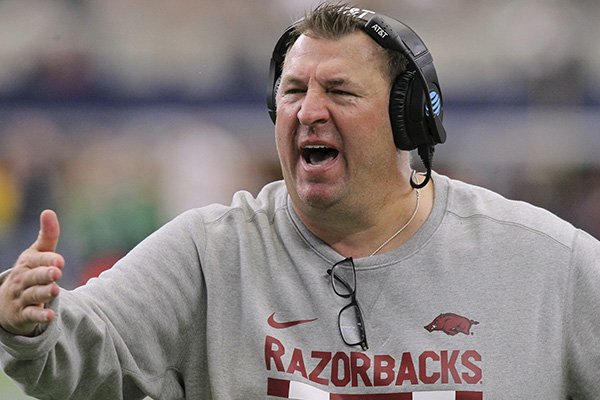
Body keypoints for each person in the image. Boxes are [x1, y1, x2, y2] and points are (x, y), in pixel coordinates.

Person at [1, 2, 599, 399]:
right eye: (293, 91)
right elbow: (86, 347)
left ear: (407, 121)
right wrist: (28, 322)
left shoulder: (543, 260)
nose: (309, 110)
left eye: (338, 90)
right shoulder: (211, 253)